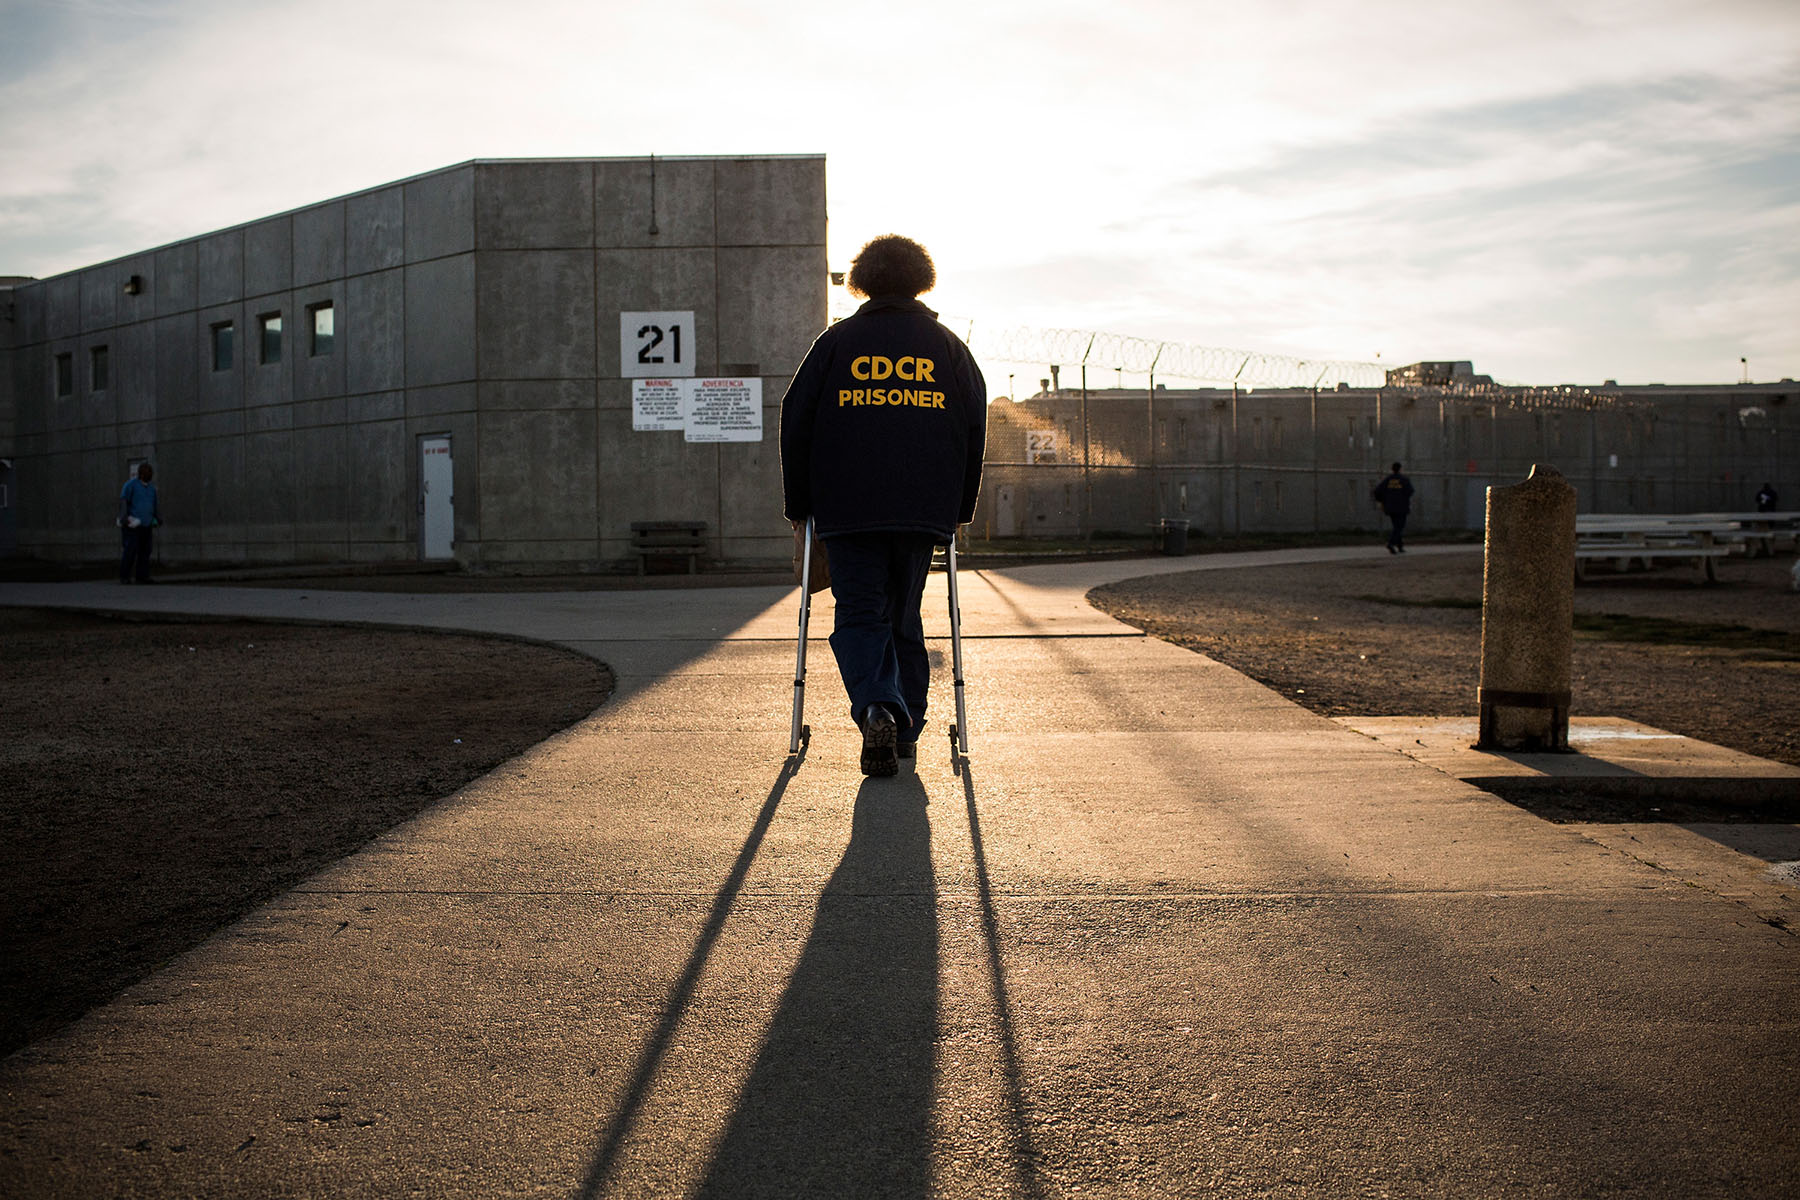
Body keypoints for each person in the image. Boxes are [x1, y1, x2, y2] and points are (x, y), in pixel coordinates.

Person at [780, 235, 986, 776]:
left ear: (862, 281)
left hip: (847, 508)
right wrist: (958, 510)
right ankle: (907, 731)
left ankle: (878, 706)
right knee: (904, 614)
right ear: (922, 278)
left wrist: (799, 506)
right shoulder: (947, 347)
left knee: (858, 613)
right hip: (923, 510)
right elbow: (973, 427)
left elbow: (795, 420)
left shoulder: (836, 344)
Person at [118, 462, 160, 583]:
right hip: (133, 524)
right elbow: (124, 501)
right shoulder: (130, 485)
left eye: (150, 472)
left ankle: (142, 576)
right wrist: (124, 518)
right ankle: (124, 576)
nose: (150, 474)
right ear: (141, 474)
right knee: (130, 551)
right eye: (147, 472)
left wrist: (158, 518)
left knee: (145, 551)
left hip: (146, 525)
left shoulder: (152, 489)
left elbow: (155, 505)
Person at [1372, 462, 1414, 554]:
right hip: (1401, 507)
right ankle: (1391, 543)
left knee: (1396, 526)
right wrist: (1403, 498)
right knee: (1399, 527)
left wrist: (1382, 501)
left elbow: (1377, 491)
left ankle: (1400, 546)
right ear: (1400, 469)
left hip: (1390, 507)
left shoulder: (1388, 480)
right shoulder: (1404, 479)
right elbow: (1410, 491)